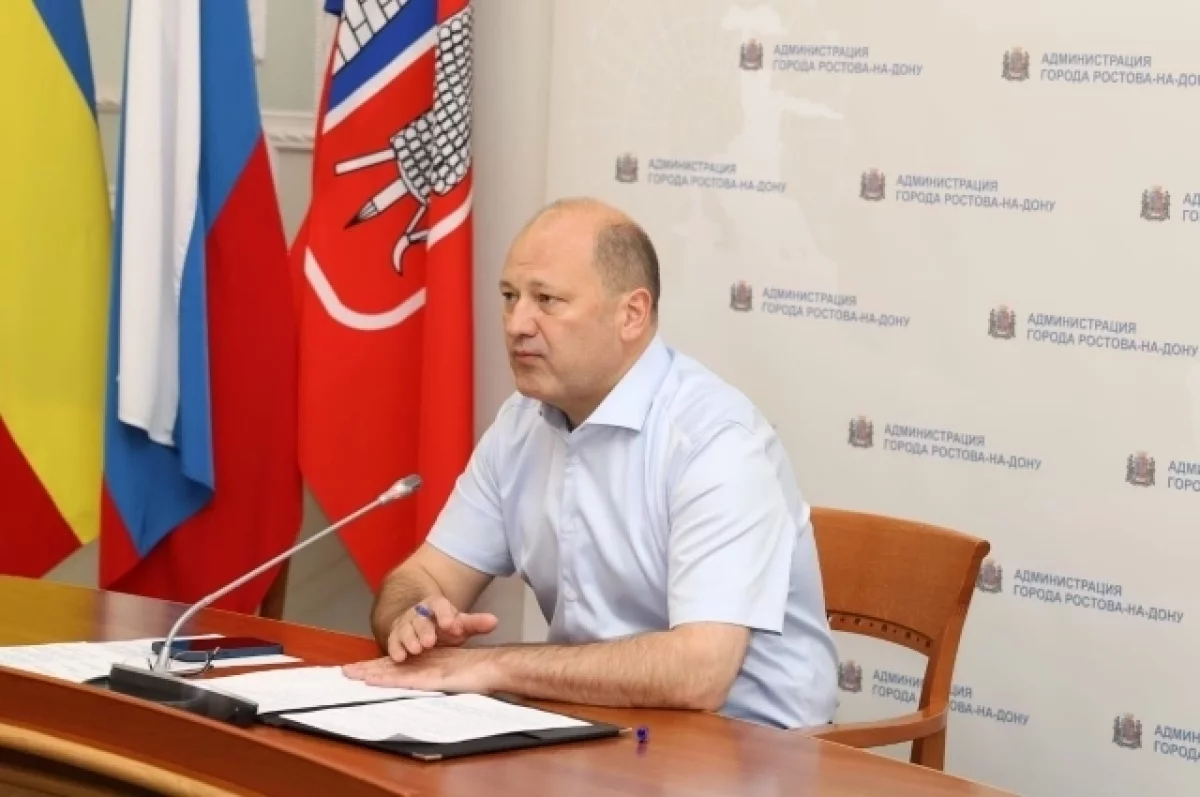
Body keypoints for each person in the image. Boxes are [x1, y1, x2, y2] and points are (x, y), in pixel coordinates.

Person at [343, 197, 839, 729]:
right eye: (509, 297)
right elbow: (423, 575)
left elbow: (701, 672)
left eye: (547, 300)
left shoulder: (714, 440)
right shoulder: (520, 423)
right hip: (597, 729)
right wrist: (412, 617)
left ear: (631, 315)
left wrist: (493, 665)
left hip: (751, 746)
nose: (517, 324)